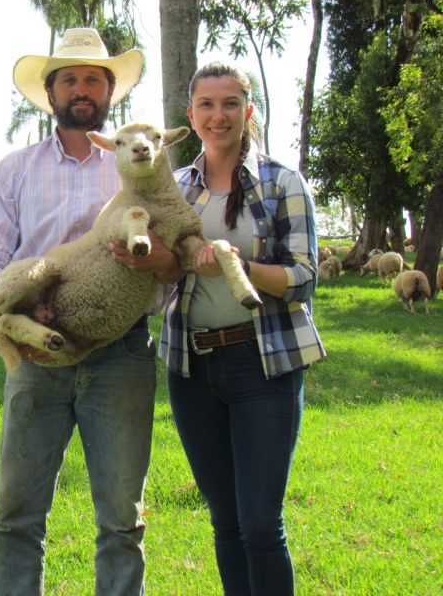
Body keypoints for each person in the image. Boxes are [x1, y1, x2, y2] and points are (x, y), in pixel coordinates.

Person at [0, 27, 167, 595]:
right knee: (17, 516)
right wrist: (10, 326)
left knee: (122, 519)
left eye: (94, 80)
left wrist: (153, 258)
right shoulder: (14, 171)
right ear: (51, 93)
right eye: (70, 80)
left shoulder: (141, 167)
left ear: (110, 92)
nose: (83, 89)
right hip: (36, 356)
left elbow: (171, 255)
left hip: (121, 352)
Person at [148, 61, 326, 595]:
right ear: (191, 115)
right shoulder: (176, 188)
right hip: (192, 368)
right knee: (224, 520)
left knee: (260, 526)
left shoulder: (283, 182)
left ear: (248, 112)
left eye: (230, 104)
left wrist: (238, 265)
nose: (218, 115)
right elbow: (164, 273)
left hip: (263, 366)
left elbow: (303, 278)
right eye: (206, 104)